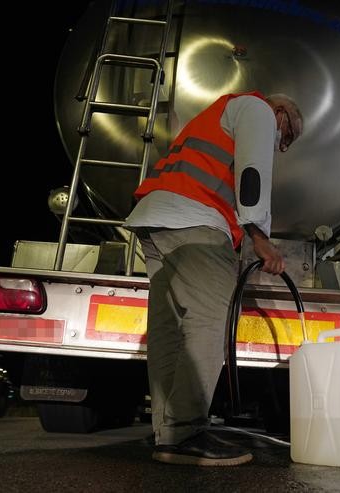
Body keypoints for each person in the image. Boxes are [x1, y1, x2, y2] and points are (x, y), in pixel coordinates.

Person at [124, 92, 303, 466]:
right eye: (287, 135)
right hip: (196, 222)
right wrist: (260, 239)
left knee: (169, 331)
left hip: (156, 219)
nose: (282, 145)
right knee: (211, 322)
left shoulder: (218, 113)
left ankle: (166, 433)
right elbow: (252, 173)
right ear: (282, 112)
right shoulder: (257, 109)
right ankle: (184, 430)